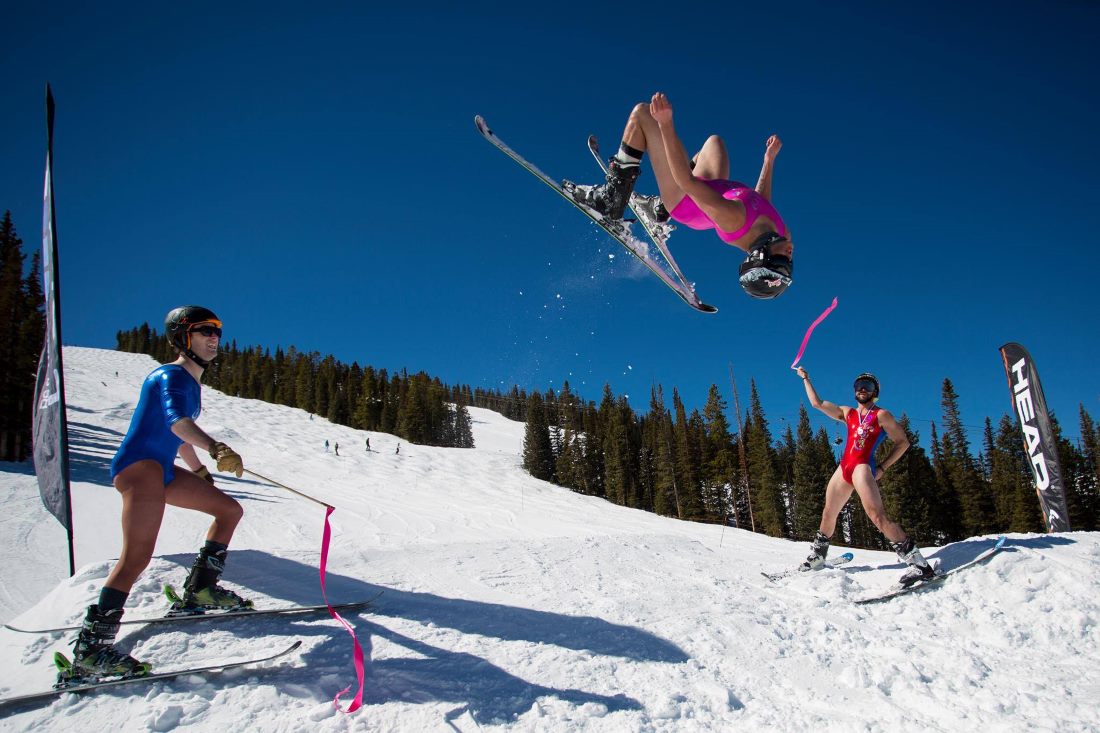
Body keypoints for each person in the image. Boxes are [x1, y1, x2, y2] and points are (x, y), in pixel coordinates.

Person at [68, 306, 249, 680]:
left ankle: (201, 590)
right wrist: (215, 449)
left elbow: (178, 434)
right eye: (204, 331)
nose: (214, 338)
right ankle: (91, 649)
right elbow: (176, 423)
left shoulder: (190, 384)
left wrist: (198, 470)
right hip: (140, 468)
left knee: (229, 511)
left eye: (217, 331)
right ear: (184, 337)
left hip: (162, 469)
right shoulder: (170, 375)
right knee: (135, 558)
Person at [563, 92, 794, 299]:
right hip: (712, 187)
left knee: (643, 114)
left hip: (686, 199)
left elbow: (686, 180)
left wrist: (665, 125)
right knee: (714, 142)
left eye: (782, 260)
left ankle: (612, 199)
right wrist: (769, 160)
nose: (790, 256)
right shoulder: (782, 235)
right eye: (790, 263)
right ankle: (658, 210)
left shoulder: (733, 218)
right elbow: (762, 202)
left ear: (761, 255)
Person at [795, 367, 936, 586]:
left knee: (877, 516)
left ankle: (919, 565)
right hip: (844, 468)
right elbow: (817, 404)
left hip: (862, 468)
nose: (862, 389)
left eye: (867, 386)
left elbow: (903, 442)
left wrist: (883, 467)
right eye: (858, 386)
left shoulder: (881, 415)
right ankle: (818, 557)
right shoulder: (848, 413)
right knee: (828, 513)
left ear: (875, 391)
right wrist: (806, 378)